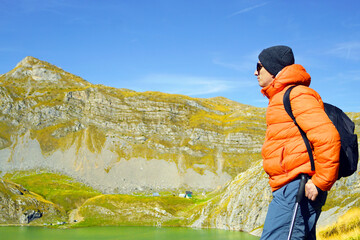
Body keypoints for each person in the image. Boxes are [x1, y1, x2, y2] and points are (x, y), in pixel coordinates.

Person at [254, 45, 341, 239]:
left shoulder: (296, 95)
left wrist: (319, 182)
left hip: (297, 188)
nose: (255, 72)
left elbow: (328, 136)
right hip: (290, 188)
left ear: (273, 67)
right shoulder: (281, 97)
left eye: (259, 66)